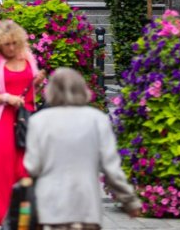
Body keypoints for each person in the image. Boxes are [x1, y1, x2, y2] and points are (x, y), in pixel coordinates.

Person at [24, 68, 142, 228]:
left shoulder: (38, 121)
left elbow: (32, 166)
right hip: (86, 206)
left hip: (51, 205)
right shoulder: (97, 119)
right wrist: (130, 201)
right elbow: (111, 168)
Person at [0, 20, 45, 226]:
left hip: (27, 118)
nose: (12, 48)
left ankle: (25, 221)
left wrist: (38, 84)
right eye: (7, 44)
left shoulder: (28, 58)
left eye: (15, 43)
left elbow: (32, 94)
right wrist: (6, 97)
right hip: (3, 121)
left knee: (25, 172)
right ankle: (5, 220)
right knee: (4, 174)